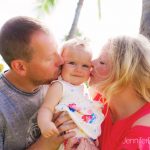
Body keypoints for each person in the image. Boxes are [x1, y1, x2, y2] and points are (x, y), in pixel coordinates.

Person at [0, 16, 76, 150]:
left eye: (56, 51)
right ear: (20, 67)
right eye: (49, 58)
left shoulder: (56, 84)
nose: (61, 61)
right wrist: (44, 145)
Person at [37, 38, 104, 150]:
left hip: (86, 142)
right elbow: (47, 107)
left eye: (85, 66)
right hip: (66, 141)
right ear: (61, 65)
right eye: (72, 63)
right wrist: (45, 123)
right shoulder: (59, 86)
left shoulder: (84, 89)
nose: (78, 69)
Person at [88, 34, 150, 150]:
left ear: (125, 77)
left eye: (102, 62)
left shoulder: (144, 134)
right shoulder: (98, 103)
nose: (91, 62)